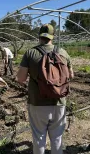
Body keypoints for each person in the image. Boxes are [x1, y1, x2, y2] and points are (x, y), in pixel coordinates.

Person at [16, 24, 74, 154]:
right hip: (59, 102)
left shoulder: (30, 53)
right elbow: (71, 75)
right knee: (57, 138)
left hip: (37, 102)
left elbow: (20, 78)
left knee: (39, 138)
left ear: (39, 36)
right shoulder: (63, 52)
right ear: (53, 36)